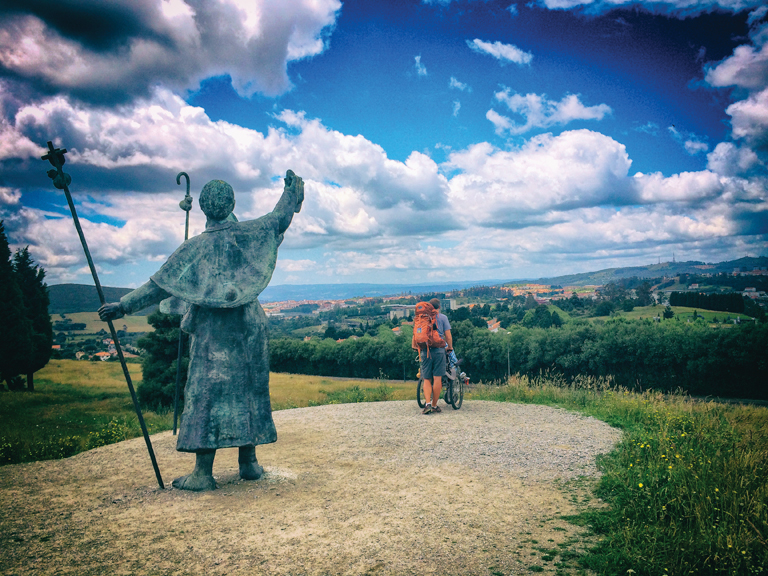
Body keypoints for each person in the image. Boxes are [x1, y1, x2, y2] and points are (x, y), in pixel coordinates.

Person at [98, 171, 304, 490]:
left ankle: (203, 472)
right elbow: (279, 218)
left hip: (214, 330)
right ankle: (247, 462)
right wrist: (291, 192)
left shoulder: (194, 247)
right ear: (233, 203)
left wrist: (122, 306)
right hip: (250, 325)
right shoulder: (249, 233)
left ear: (204, 211)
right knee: (247, 389)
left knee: (205, 393)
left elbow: (157, 286)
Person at [415, 298, 452, 414]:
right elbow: (448, 335)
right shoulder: (443, 318)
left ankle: (427, 404)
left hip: (425, 350)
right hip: (439, 350)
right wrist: (449, 347)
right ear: (439, 307)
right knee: (437, 378)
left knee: (426, 378)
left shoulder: (421, 318)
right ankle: (435, 405)